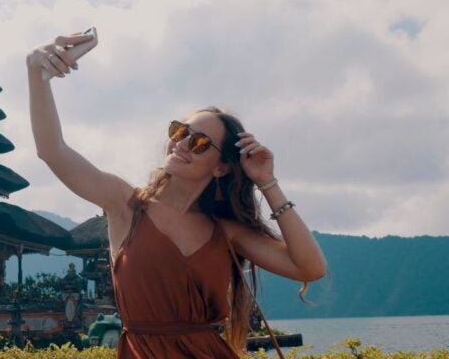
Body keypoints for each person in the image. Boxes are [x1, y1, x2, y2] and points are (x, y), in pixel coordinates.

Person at [25, 31, 327, 358]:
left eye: (199, 143)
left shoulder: (224, 232)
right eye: (180, 132)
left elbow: (310, 268)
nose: (182, 143)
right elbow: (52, 151)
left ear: (221, 167)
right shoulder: (127, 204)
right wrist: (36, 74)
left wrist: (268, 182)